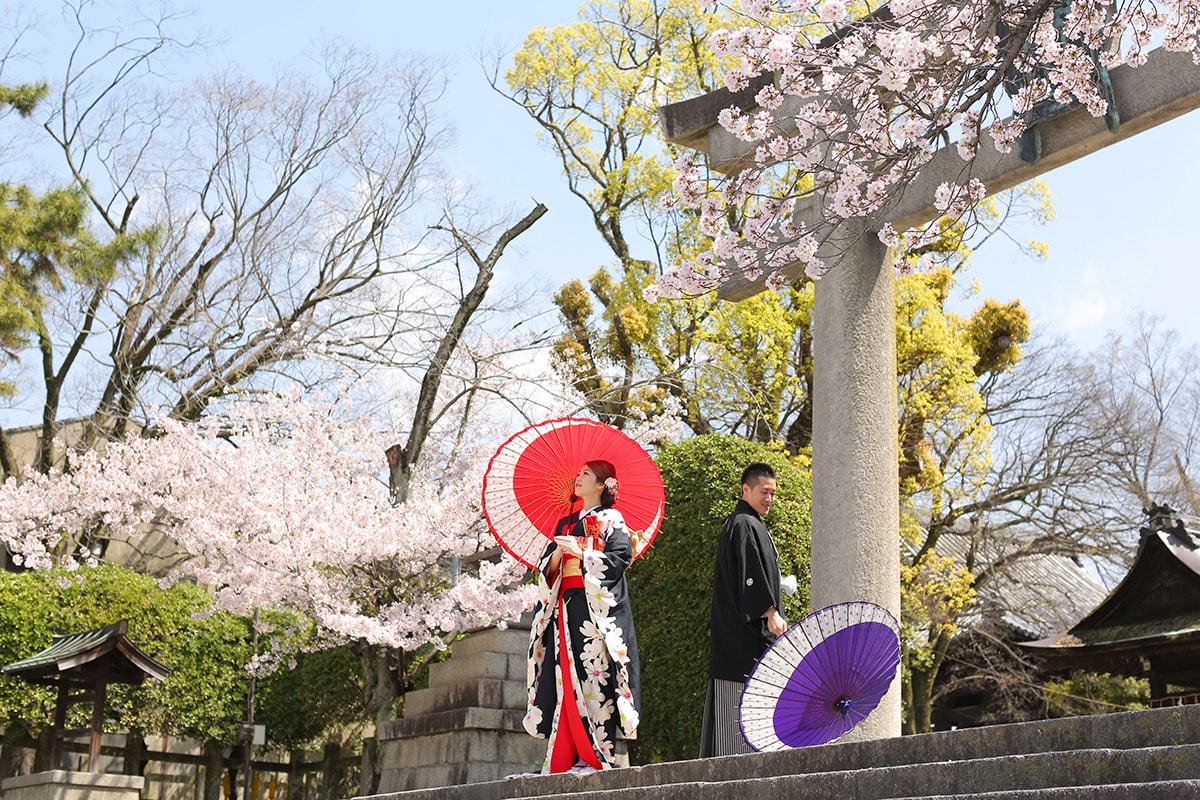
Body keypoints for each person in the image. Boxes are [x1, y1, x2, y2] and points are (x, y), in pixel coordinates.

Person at [523, 459, 641, 773]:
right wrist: (560, 553)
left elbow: (620, 557)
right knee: (565, 675)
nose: (579, 478)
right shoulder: (566, 523)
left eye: (586, 474)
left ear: (602, 484)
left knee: (595, 674)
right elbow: (546, 570)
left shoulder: (611, 518)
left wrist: (583, 554)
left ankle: (599, 754)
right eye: (579, 473)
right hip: (566, 604)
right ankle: (564, 755)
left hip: (595, 610)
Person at [700, 461, 785, 757]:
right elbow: (752, 576)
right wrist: (770, 610)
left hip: (739, 633)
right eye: (764, 492)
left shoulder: (747, 523)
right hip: (742, 636)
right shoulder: (744, 524)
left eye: (773, 493)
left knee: (742, 704)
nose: (769, 499)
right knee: (740, 701)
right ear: (745, 489)